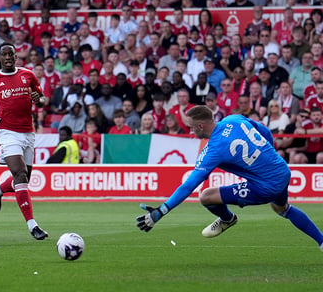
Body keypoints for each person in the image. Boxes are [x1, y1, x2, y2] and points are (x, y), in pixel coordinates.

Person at [136, 105, 323, 252]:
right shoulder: (233, 119)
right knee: (282, 208)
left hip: (266, 186)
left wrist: (161, 211)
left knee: (206, 196)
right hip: (282, 170)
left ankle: (227, 219)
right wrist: (269, 155)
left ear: (201, 126)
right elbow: (264, 131)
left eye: (192, 128)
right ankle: (322, 242)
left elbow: (189, 185)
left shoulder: (213, 150)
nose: (192, 132)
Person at [0, 43, 48, 240]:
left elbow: (42, 100)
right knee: (20, 174)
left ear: (15, 57)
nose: (8, 58)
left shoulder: (28, 75)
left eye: (11, 54)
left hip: (28, 133)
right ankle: (32, 225)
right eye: (4, 55)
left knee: (24, 179)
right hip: (6, 132)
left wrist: (39, 100)